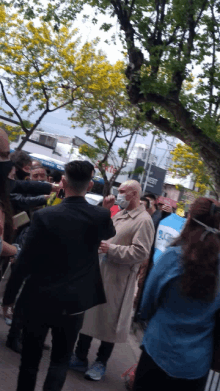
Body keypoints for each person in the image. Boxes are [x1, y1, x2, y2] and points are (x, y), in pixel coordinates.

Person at [2, 160, 115, 391]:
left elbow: (25, 262)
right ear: (90, 185)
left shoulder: (47, 216)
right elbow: (108, 231)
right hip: (74, 303)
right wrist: (104, 207)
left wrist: (9, 297)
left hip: (38, 299)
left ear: (63, 182)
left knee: (30, 361)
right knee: (60, 361)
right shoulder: (100, 217)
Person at [70, 180, 155, 381]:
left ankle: (101, 362)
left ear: (134, 194)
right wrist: (105, 211)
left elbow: (141, 252)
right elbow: (102, 233)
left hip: (119, 279)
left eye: (123, 191)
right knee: (90, 316)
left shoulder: (144, 220)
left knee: (110, 322)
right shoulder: (120, 213)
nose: (119, 194)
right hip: (100, 272)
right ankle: (80, 356)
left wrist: (113, 249)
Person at [133, 197, 220, 391]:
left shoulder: (172, 257)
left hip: (158, 349)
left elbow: (147, 302)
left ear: (189, 219)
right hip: (196, 364)